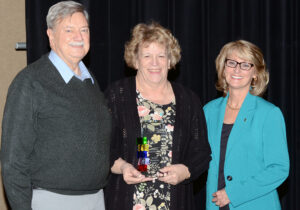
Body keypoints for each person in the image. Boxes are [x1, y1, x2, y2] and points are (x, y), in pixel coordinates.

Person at [1, 1, 111, 210]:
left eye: (84, 30)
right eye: (69, 30)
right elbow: (13, 163)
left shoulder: (91, 81)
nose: (79, 37)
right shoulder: (30, 82)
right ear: (51, 36)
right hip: (51, 201)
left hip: (95, 199)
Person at [104, 22, 211, 210]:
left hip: (175, 201)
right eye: (147, 56)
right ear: (135, 60)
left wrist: (185, 171)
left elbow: (201, 151)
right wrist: (123, 167)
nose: (155, 63)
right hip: (127, 201)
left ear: (170, 61)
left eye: (161, 56)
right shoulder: (116, 95)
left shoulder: (188, 99)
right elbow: (102, 148)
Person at [204, 40, 289, 210]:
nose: (237, 69)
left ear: (255, 73)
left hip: (256, 204)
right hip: (216, 205)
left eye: (245, 65)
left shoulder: (269, 114)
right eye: (232, 63)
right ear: (223, 68)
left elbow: (279, 168)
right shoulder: (208, 111)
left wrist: (233, 194)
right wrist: (143, 161)